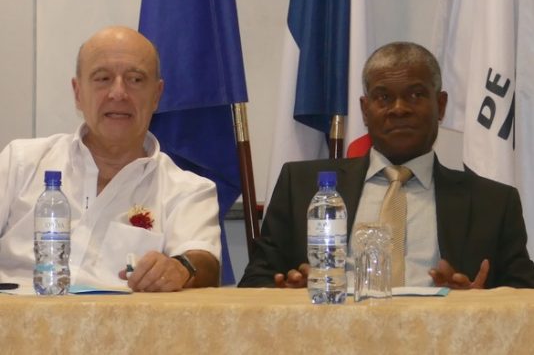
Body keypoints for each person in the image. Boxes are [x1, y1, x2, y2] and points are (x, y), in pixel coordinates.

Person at [239, 41, 534, 289]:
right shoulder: (301, 186)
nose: (399, 109)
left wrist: (479, 302)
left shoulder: (493, 202)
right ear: (365, 110)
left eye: (416, 95)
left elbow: (524, 294)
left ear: (441, 105)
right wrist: (287, 293)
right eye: (383, 97)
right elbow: (255, 282)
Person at [0, 26, 221, 292]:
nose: (118, 93)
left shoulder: (188, 190)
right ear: (78, 92)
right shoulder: (20, 162)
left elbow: (204, 261)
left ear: (156, 95)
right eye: (102, 78)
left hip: (122, 319)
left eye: (135, 80)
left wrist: (181, 268)